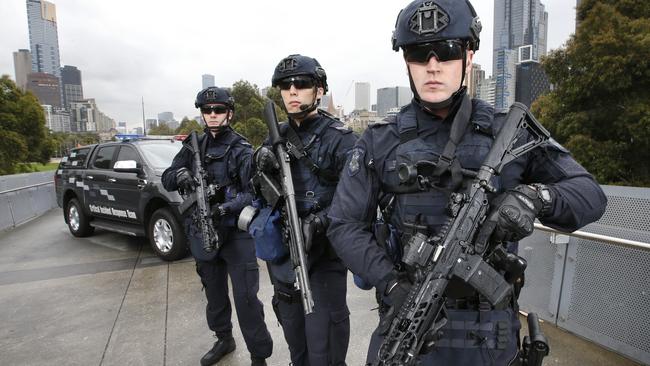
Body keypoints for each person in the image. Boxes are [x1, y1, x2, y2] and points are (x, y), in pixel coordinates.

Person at [326, 0, 608, 365]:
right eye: (418, 53)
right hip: (409, 323)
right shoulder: (380, 141)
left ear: (468, 56)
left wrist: (536, 197)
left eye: (445, 51)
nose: (432, 66)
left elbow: (589, 195)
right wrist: (391, 283)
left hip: (488, 335)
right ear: (406, 61)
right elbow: (344, 224)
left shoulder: (508, 132)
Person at [253, 54, 357, 366]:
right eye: (286, 85)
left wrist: (321, 222)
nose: (293, 91)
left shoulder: (341, 140)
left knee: (324, 350)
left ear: (319, 90)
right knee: (297, 346)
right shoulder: (275, 138)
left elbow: (358, 201)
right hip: (284, 260)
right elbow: (254, 194)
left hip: (323, 260)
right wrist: (258, 165)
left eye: (302, 84)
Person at [162, 87, 273, 366]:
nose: (212, 115)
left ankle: (259, 356)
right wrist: (180, 173)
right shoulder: (193, 145)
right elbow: (167, 177)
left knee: (246, 299)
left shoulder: (241, 148)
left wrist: (224, 207)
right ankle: (224, 338)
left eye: (218, 110)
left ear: (229, 113)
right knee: (213, 293)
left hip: (235, 234)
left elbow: (253, 194)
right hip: (204, 232)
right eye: (207, 110)